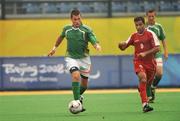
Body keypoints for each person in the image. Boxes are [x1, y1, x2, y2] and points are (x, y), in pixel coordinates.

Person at [48, 9, 101, 112]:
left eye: (79, 19)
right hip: (71, 57)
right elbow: (61, 37)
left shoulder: (86, 29)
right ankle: (77, 102)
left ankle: (79, 97)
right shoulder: (66, 29)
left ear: (81, 18)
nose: (77, 21)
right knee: (75, 75)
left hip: (84, 59)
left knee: (84, 86)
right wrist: (54, 48)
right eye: (75, 19)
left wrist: (96, 45)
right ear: (71, 19)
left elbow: (92, 38)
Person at [118, 16, 160, 113]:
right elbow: (123, 47)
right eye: (136, 25)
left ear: (144, 24)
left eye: (140, 24)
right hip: (138, 62)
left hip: (151, 64)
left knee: (147, 84)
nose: (138, 27)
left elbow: (157, 48)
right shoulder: (133, 36)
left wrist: (146, 53)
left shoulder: (151, 34)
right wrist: (120, 45)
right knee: (143, 79)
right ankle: (145, 105)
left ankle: (141, 88)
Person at [146, 9, 168, 103]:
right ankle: (149, 95)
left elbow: (163, 39)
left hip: (157, 53)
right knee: (148, 76)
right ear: (147, 16)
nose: (151, 18)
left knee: (159, 73)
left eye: (152, 16)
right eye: (149, 16)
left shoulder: (159, 26)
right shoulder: (143, 27)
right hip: (147, 54)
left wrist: (166, 51)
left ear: (155, 16)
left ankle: (153, 87)